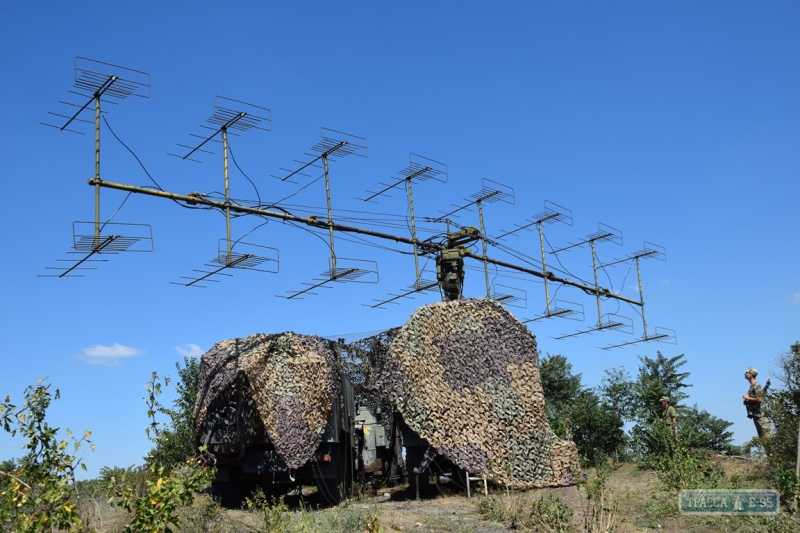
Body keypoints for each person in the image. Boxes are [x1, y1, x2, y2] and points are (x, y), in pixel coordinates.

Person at [743, 367, 772, 438]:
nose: (745, 374)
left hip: (761, 416)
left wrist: (747, 397)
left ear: (751, 374)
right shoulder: (752, 386)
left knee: (768, 439)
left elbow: (760, 399)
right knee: (763, 440)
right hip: (757, 416)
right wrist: (748, 402)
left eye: (747, 373)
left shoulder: (756, 385)